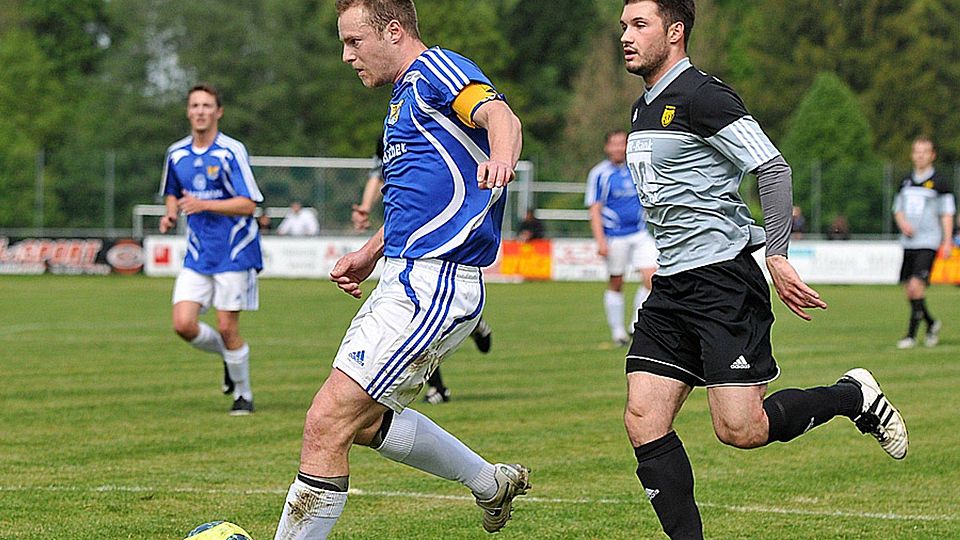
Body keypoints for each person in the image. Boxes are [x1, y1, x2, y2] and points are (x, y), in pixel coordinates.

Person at [618, 2, 908, 538]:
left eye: (640, 25)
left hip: (721, 280)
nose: (627, 37)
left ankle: (852, 395)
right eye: (623, 27)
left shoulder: (705, 96)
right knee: (644, 419)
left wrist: (776, 254)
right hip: (672, 285)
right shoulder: (643, 107)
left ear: (675, 32)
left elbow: (772, 168)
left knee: (741, 429)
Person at [273, 2, 529, 538]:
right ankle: (489, 483)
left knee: (326, 423)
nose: (347, 56)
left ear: (393, 31)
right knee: (362, 422)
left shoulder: (436, 69)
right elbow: (419, 198)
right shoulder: (402, 98)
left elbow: (500, 115)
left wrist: (501, 158)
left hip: (437, 281)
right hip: (404, 277)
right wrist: (370, 252)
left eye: (353, 42)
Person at [353, 134, 493, 405]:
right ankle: (440, 382)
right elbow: (376, 173)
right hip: (400, 236)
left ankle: (440, 383)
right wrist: (366, 208)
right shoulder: (390, 131)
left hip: (435, 235)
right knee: (408, 318)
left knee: (415, 314)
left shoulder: (434, 122)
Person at [158, 83, 262, 416]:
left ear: (218, 112)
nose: (200, 111)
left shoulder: (231, 151)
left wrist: (204, 205)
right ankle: (229, 361)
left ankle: (243, 395)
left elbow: (249, 205)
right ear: (188, 112)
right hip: (198, 253)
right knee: (182, 324)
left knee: (228, 327)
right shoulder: (176, 154)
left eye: (207, 105)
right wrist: (171, 213)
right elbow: (172, 191)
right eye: (194, 105)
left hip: (234, 252)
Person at [586, 129, 658, 346]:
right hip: (615, 236)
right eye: (614, 144)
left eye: (622, 143)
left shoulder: (638, 169)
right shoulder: (600, 174)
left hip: (639, 232)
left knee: (653, 278)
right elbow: (595, 209)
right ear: (607, 147)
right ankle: (618, 332)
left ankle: (637, 323)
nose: (619, 148)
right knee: (616, 281)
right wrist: (600, 241)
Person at [892, 135, 955, 349]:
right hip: (909, 243)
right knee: (910, 289)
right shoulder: (905, 180)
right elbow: (897, 209)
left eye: (924, 152)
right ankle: (931, 323)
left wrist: (946, 241)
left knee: (916, 286)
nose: (920, 156)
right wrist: (903, 224)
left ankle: (911, 335)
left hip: (929, 241)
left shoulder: (940, 182)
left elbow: (947, 213)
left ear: (932, 155)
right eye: (916, 151)